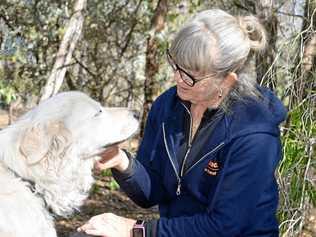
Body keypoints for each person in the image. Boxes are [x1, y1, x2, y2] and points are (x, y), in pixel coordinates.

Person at [77, 8, 287, 237]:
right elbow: (152, 193)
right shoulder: (167, 106)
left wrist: (136, 230)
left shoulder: (255, 134)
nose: (178, 78)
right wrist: (120, 161)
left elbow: (225, 226)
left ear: (226, 81)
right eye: (176, 65)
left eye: (191, 74)